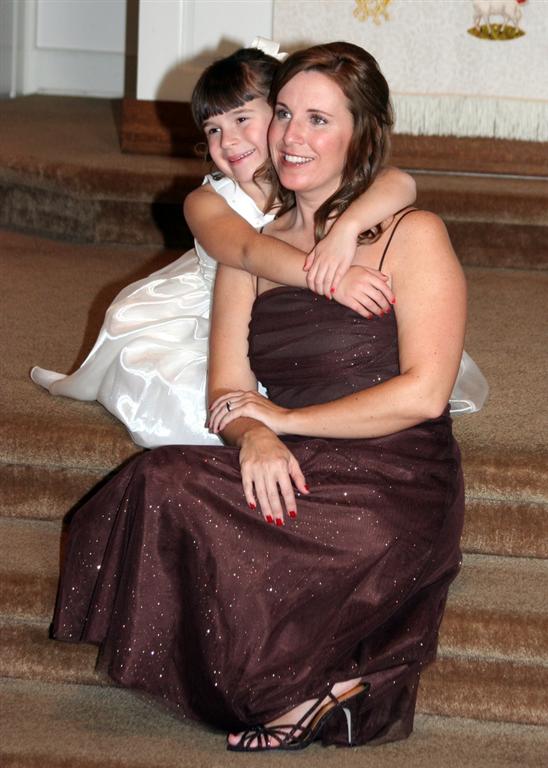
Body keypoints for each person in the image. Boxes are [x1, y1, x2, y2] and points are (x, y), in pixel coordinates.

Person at [52, 42, 465, 751]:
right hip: (302, 455)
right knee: (159, 480)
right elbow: (228, 389)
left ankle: (322, 678)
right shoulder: (246, 249)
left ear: (361, 133)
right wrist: (255, 434)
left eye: (318, 120)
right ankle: (316, 683)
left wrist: (287, 418)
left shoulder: (411, 233)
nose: (292, 136)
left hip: (394, 473)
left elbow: (425, 396)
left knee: (335, 532)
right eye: (285, 114)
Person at [30, 44, 419, 448]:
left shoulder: (301, 173)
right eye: (213, 130)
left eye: (242, 119)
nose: (228, 141)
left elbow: (399, 183)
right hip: (202, 318)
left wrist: (347, 228)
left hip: (284, 313)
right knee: (191, 402)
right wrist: (333, 280)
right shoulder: (205, 202)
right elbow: (249, 251)